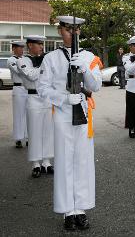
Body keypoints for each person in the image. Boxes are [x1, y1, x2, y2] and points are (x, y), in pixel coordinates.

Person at [37, 16, 102, 230]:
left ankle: (81, 209)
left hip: (83, 113)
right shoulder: (51, 58)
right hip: (63, 113)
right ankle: (67, 211)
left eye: (76, 29)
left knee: (82, 161)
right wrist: (64, 99)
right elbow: (43, 89)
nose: (72, 33)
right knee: (65, 161)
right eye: (67, 29)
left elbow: (96, 85)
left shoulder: (88, 56)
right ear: (60, 31)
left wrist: (85, 68)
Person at [17, 35, 54, 178]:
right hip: (33, 97)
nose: (42, 47)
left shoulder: (44, 59)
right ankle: (36, 164)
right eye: (39, 44)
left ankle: (46, 162)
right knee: (34, 132)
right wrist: (44, 66)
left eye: (42, 44)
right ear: (30, 45)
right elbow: (32, 75)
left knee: (48, 131)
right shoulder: (22, 61)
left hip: (46, 98)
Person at [7, 40, 28, 148]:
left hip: (27, 89)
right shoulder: (11, 60)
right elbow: (20, 71)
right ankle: (19, 139)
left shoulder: (25, 59)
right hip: (19, 88)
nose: (21, 50)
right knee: (19, 114)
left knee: (28, 114)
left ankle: (28, 137)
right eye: (19, 48)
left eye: (22, 48)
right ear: (14, 49)